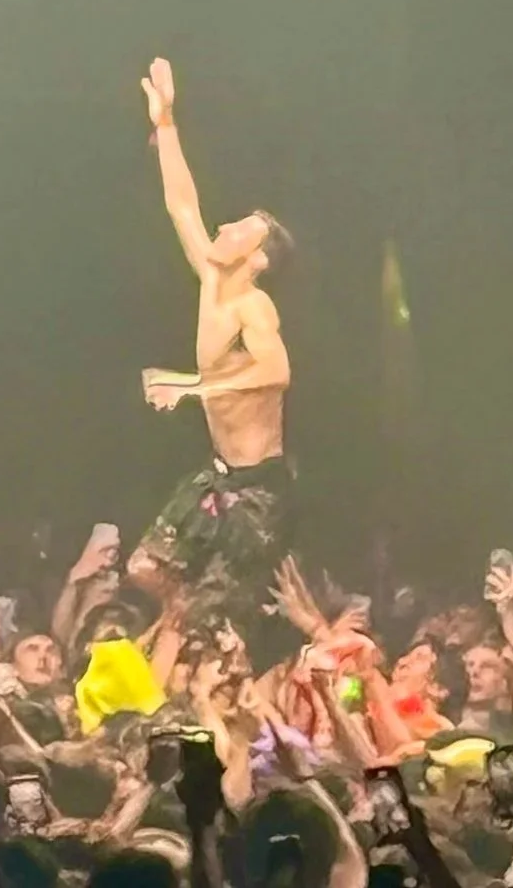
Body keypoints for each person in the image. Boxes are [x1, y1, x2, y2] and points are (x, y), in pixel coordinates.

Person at [134, 54, 294, 614]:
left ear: (258, 260)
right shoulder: (210, 284)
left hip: (257, 488)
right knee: (145, 569)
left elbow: (277, 371)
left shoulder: (254, 305)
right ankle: (182, 626)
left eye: (240, 231)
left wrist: (190, 388)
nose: (223, 227)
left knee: (214, 608)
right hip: (218, 475)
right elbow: (182, 203)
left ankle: (201, 635)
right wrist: (166, 122)